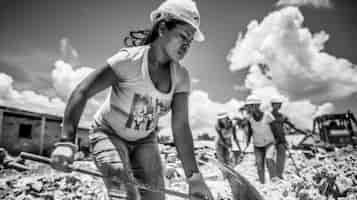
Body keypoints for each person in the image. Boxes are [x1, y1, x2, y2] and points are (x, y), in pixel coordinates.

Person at [50, 0, 214, 200]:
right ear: (163, 28)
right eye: (182, 36)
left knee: (156, 197)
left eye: (190, 41)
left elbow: (180, 126)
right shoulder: (128, 61)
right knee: (124, 190)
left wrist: (194, 178)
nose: (187, 45)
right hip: (108, 134)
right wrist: (66, 142)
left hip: (145, 140)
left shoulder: (181, 77)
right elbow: (81, 92)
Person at [244, 96, 278, 184]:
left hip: (269, 143)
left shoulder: (267, 115)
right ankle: (262, 184)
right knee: (259, 165)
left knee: (269, 159)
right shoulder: (249, 118)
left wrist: (279, 141)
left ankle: (274, 181)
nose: (248, 108)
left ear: (256, 105)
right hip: (257, 145)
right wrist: (247, 144)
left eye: (250, 106)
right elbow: (250, 132)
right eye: (247, 106)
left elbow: (275, 129)